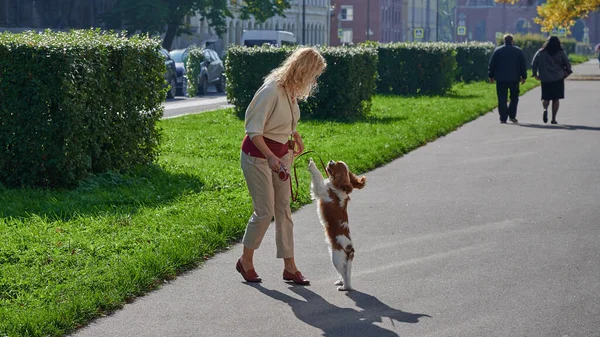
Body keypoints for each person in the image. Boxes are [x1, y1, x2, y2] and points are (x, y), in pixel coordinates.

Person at [237, 47, 327, 285]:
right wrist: (270, 157)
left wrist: (293, 134)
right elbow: (253, 130)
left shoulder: (289, 91)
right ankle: (245, 261)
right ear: (303, 70)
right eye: (314, 74)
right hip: (258, 156)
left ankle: (290, 266)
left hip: (281, 155)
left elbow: (283, 120)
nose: (314, 80)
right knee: (265, 211)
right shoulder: (271, 90)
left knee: (284, 209)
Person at [532, 36, 572, 124]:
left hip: (545, 78)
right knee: (556, 99)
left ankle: (545, 109)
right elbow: (567, 63)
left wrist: (535, 74)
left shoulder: (541, 52)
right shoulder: (561, 52)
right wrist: (568, 71)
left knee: (545, 97)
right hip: (558, 78)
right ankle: (553, 118)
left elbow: (534, 63)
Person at [488, 34, 528, 124]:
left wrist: (491, 76)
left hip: (501, 79)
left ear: (504, 41)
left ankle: (503, 117)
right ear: (512, 41)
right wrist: (524, 76)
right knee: (514, 97)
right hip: (514, 78)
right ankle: (512, 115)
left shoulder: (497, 51)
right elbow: (523, 65)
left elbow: (492, 64)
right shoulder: (518, 51)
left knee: (502, 98)